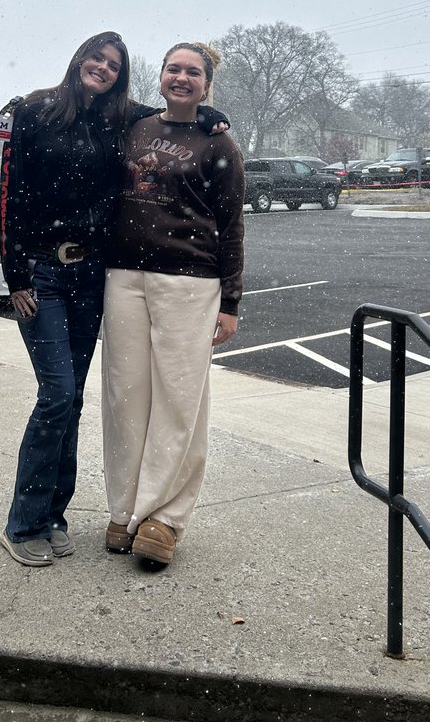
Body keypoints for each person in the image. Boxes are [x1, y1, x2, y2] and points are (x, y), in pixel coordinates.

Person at [0, 32, 228, 568]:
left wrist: (209, 112)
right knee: (56, 394)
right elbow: (9, 195)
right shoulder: (33, 111)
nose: (101, 68)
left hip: (90, 276)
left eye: (113, 64)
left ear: (121, 76)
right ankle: (22, 522)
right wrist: (16, 279)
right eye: (95, 58)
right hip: (41, 275)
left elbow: (174, 107)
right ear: (78, 58)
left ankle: (55, 514)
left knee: (73, 397)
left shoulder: (119, 119)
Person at [101, 42, 245, 568]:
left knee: (179, 402)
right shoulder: (133, 128)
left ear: (207, 84)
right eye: (173, 69)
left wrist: (230, 301)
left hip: (191, 282)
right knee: (125, 396)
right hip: (123, 278)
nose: (181, 78)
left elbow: (232, 228)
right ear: (160, 75)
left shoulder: (219, 145)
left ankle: (165, 516)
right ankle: (124, 508)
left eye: (193, 72)